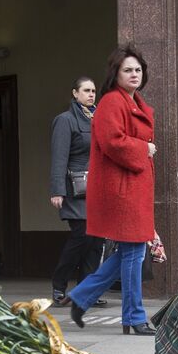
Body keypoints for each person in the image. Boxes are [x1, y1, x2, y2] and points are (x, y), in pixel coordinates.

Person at [67, 45, 158, 336]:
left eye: (138, 70)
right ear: (116, 74)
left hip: (132, 185)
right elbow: (113, 142)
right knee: (133, 252)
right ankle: (133, 317)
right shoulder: (111, 103)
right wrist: (145, 148)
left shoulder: (134, 102)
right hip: (122, 189)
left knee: (131, 252)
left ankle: (81, 297)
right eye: (127, 70)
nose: (134, 74)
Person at [48, 76, 105, 308]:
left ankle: (86, 292)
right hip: (75, 188)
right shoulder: (65, 120)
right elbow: (59, 157)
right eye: (86, 90)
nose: (91, 94)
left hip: (99, 188)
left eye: (93, 91)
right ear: (75, 93)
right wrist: (57, 190)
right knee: (83, 235)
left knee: (97, 241)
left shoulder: (100, 119)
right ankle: (59, 284)